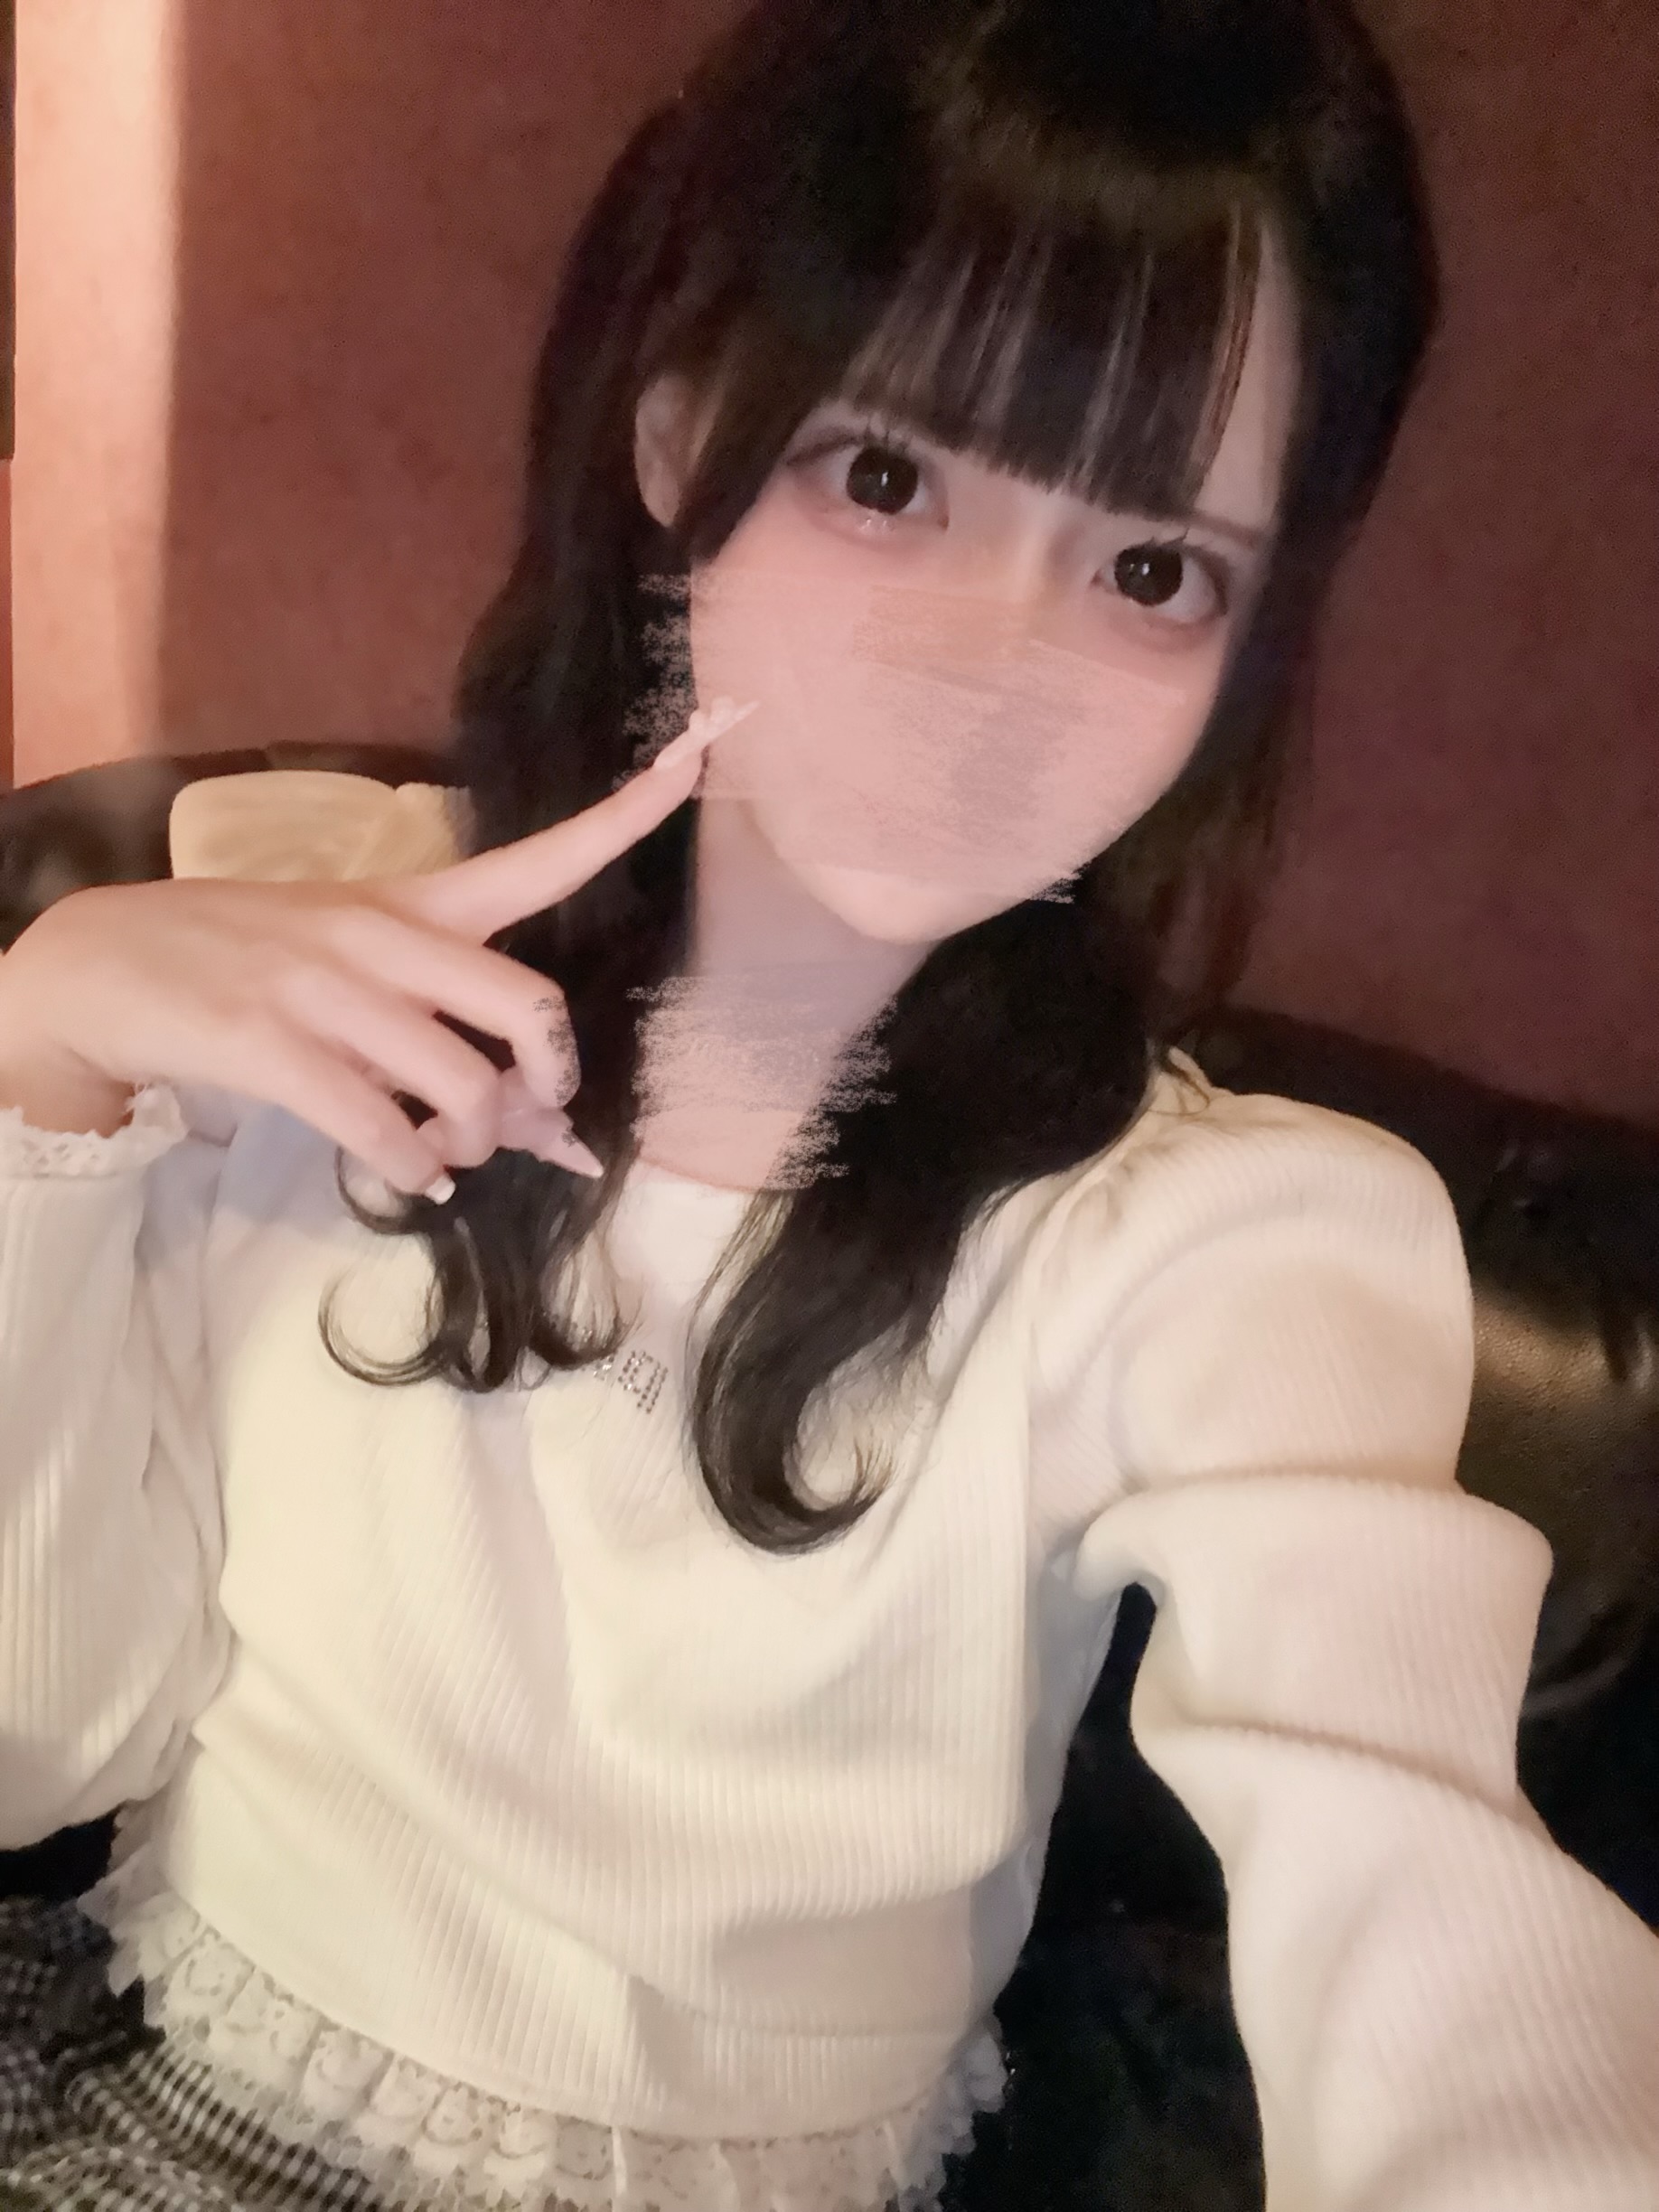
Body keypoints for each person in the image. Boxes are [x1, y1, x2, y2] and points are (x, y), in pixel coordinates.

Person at [1, 0, 1656, 2207]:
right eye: (890, 478)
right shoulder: (322, 963)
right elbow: (34, 1736)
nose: (998, 668)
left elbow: (1417, 1877)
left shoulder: (1224, 1249)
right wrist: (43, 1058)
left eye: (1151, 568)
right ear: (681, 431)